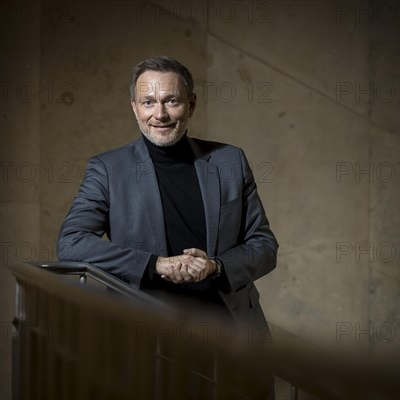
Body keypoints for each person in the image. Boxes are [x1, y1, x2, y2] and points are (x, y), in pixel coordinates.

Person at [57, 56, 278, 397]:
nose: (159, 114)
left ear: (191, 104)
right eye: (148, 102)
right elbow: (71, 243)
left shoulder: (230, 161)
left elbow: (264, 245)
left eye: (171, 101)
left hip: (231, 336)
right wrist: (154, 264)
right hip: (147, 340)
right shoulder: (107, 169)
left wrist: (216, 267)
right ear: (134, 107)